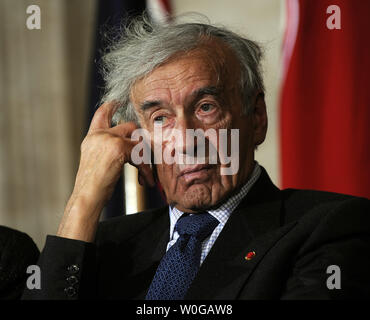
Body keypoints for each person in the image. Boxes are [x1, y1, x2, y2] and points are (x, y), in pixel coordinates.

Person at [22, 15, 370, 300]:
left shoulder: (331, 226)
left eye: (206, 108)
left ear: (257, 117)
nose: (186, 141)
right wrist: (84, 199)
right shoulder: (106, 245)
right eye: (160, 118)